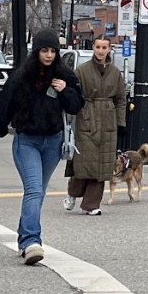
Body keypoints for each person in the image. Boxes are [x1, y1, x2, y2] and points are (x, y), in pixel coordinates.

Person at [0, 29, 84, 265]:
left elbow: (77, 105)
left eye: (53, 51)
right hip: (26, 140)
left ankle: (23, 238)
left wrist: (64, 90)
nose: (48, 55)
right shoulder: (21, 77)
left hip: (53, 140)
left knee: (38, 191)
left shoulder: (65, 75)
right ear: (36, 51)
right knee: (35, 190)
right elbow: (3, 107)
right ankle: (31, 242)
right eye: (44, 50)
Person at [63, 37, 126, 216]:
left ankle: (91, 205)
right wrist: (70, 118)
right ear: (93, 48)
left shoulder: (115, 73)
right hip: (86, 117)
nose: (100, 51)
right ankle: (73, 193)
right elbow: (73, 94)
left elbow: (120, 98)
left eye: (104, 47)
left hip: (108, 120)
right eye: (98, 47)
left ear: (109, 49)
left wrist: (120, 122)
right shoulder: (81, 71)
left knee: (102, 165)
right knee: (84, 162)